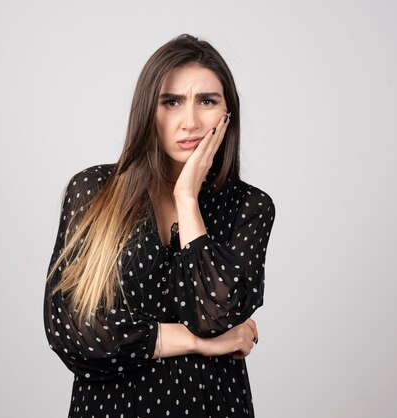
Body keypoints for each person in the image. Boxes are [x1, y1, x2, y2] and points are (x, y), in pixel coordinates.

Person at [44, 34, 276, 417]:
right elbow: (72, 330)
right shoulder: (95, 192)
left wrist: (187, 198)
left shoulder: (248, 207)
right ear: (147, 112)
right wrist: (199, 343)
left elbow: (213, 314)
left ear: (226, 114)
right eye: (171, 102)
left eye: (207, 101)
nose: (190, 121)